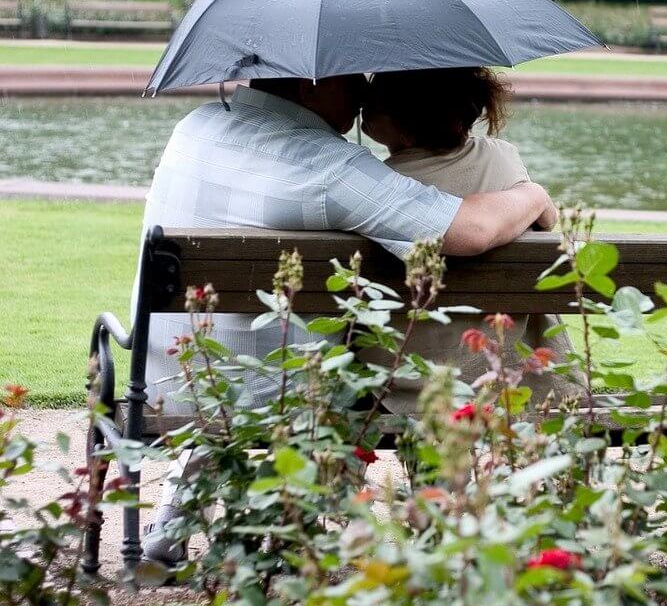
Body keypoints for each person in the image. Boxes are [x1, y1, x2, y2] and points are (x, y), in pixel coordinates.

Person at [140, 74, 556, 563]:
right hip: (282, 391)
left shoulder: (196, 125)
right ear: (311, 87)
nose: (363, 86)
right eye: (350, 75)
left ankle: (174, 519)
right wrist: (534, 195)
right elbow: (470, 230)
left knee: (241, 351)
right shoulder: (325, 165)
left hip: (164, 372)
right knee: (300, 356)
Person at [360, 67, 580, 412]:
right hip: (502, 371)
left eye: (373, 101)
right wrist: (535, 195)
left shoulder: (377, 183)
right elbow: (549, 220)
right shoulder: (501, 159)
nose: (363, 104)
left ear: (403, 125)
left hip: (398, 380)